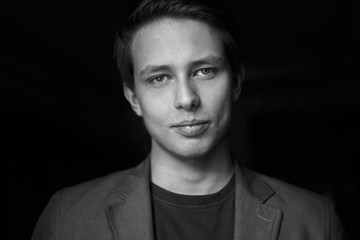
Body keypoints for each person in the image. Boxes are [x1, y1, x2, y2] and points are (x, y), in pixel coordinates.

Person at [31, 0, 348, 239]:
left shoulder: (315, 220)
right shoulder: (67, 216)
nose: (186, 99)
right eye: (159, 78)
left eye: (204, 71)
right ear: (132, 97)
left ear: (236, 81)